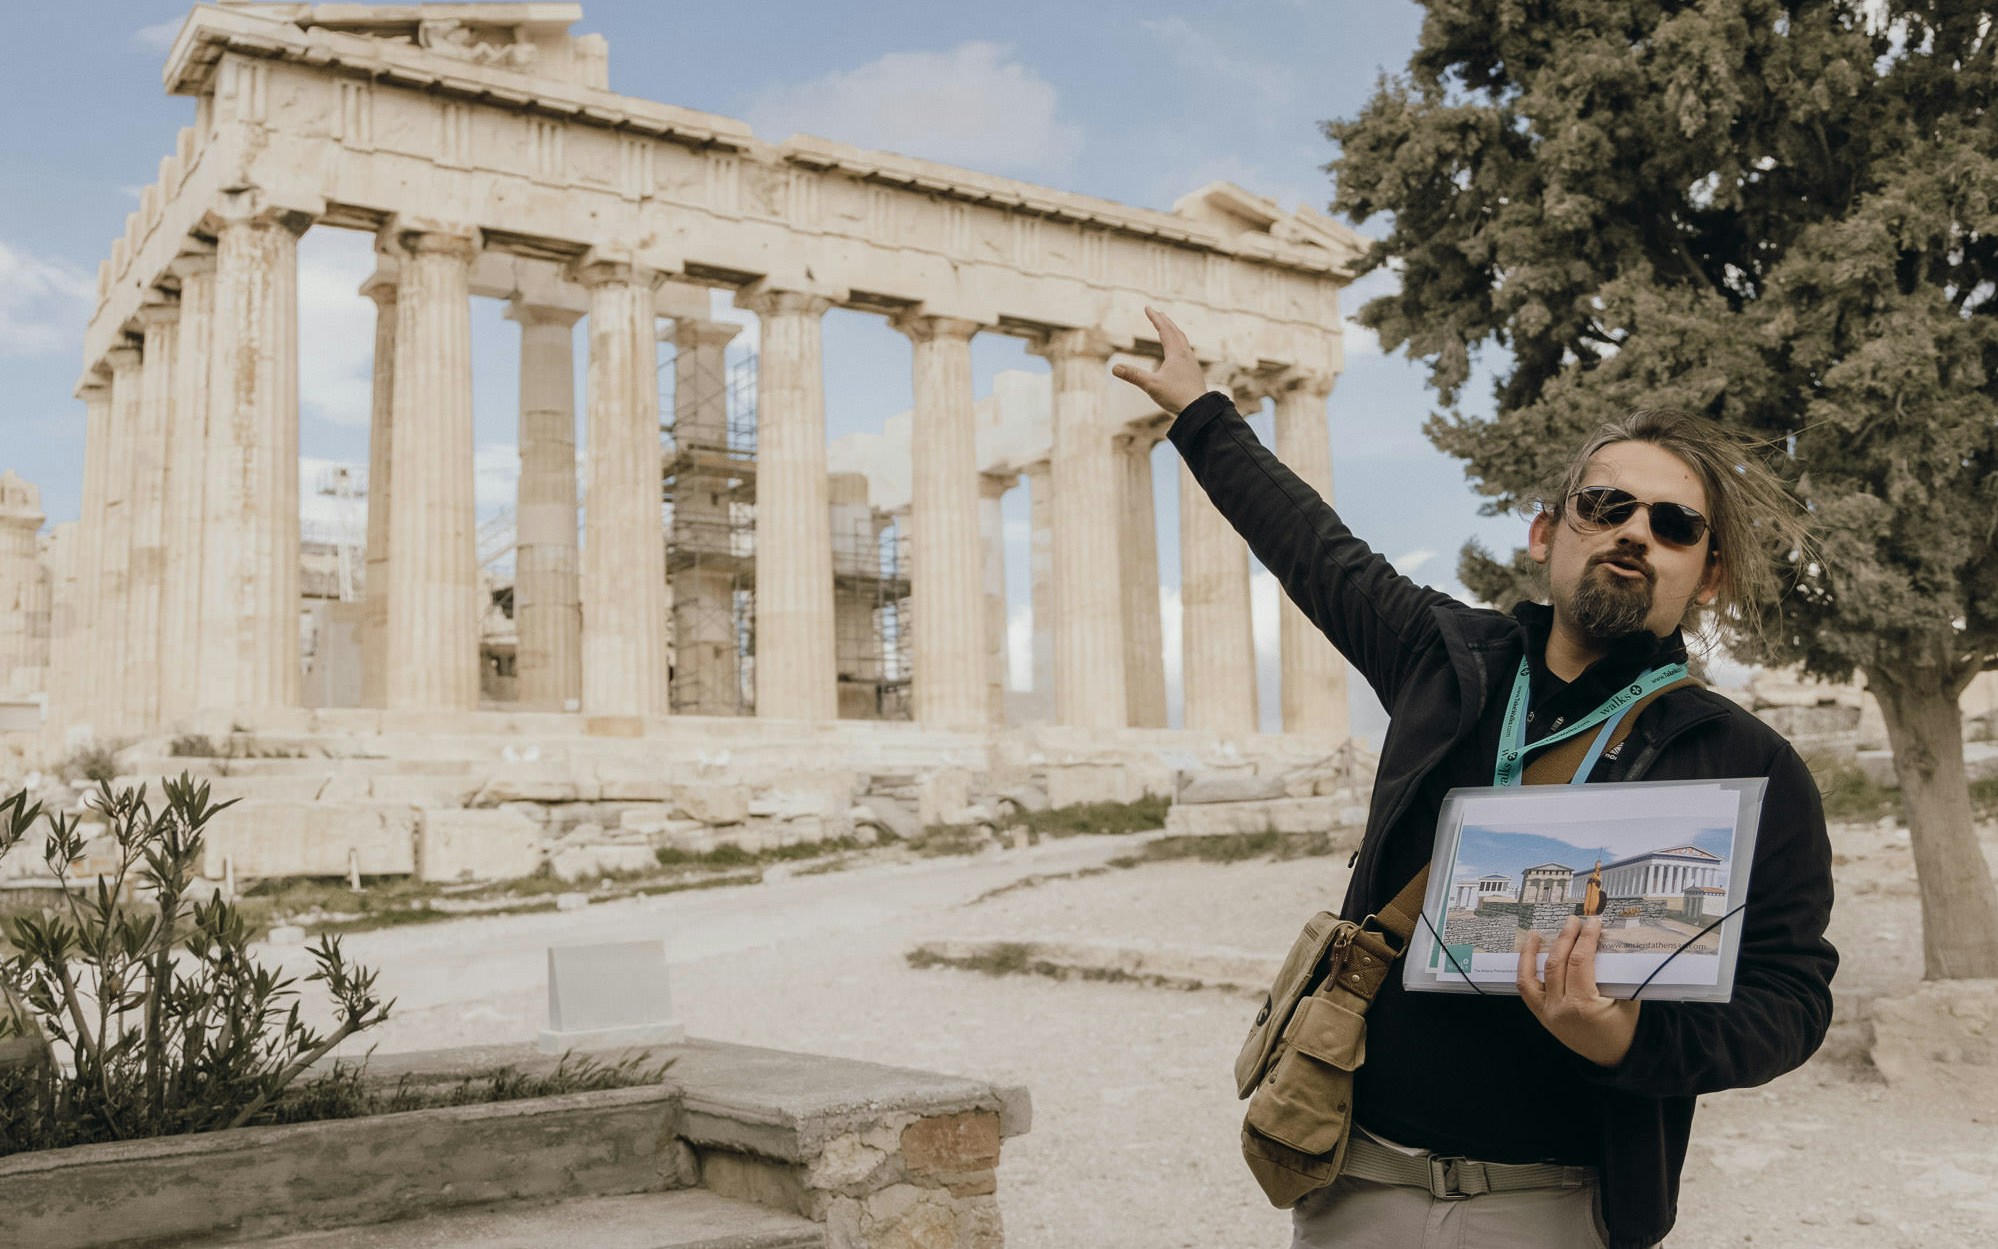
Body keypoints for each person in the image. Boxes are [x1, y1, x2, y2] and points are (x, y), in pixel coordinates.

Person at [1112, 308, 1837, 1249]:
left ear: (1707, 576)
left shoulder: (1749, 764)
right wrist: (1200, 412)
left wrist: (1627, 1038)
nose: (1632, 533)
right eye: (1604, 505)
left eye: (1673, 524)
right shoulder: (1441, 656)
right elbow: (1312, 545)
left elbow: (1793, 996)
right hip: (1356, 1179)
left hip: (1562, 1202)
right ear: (1547, 530)